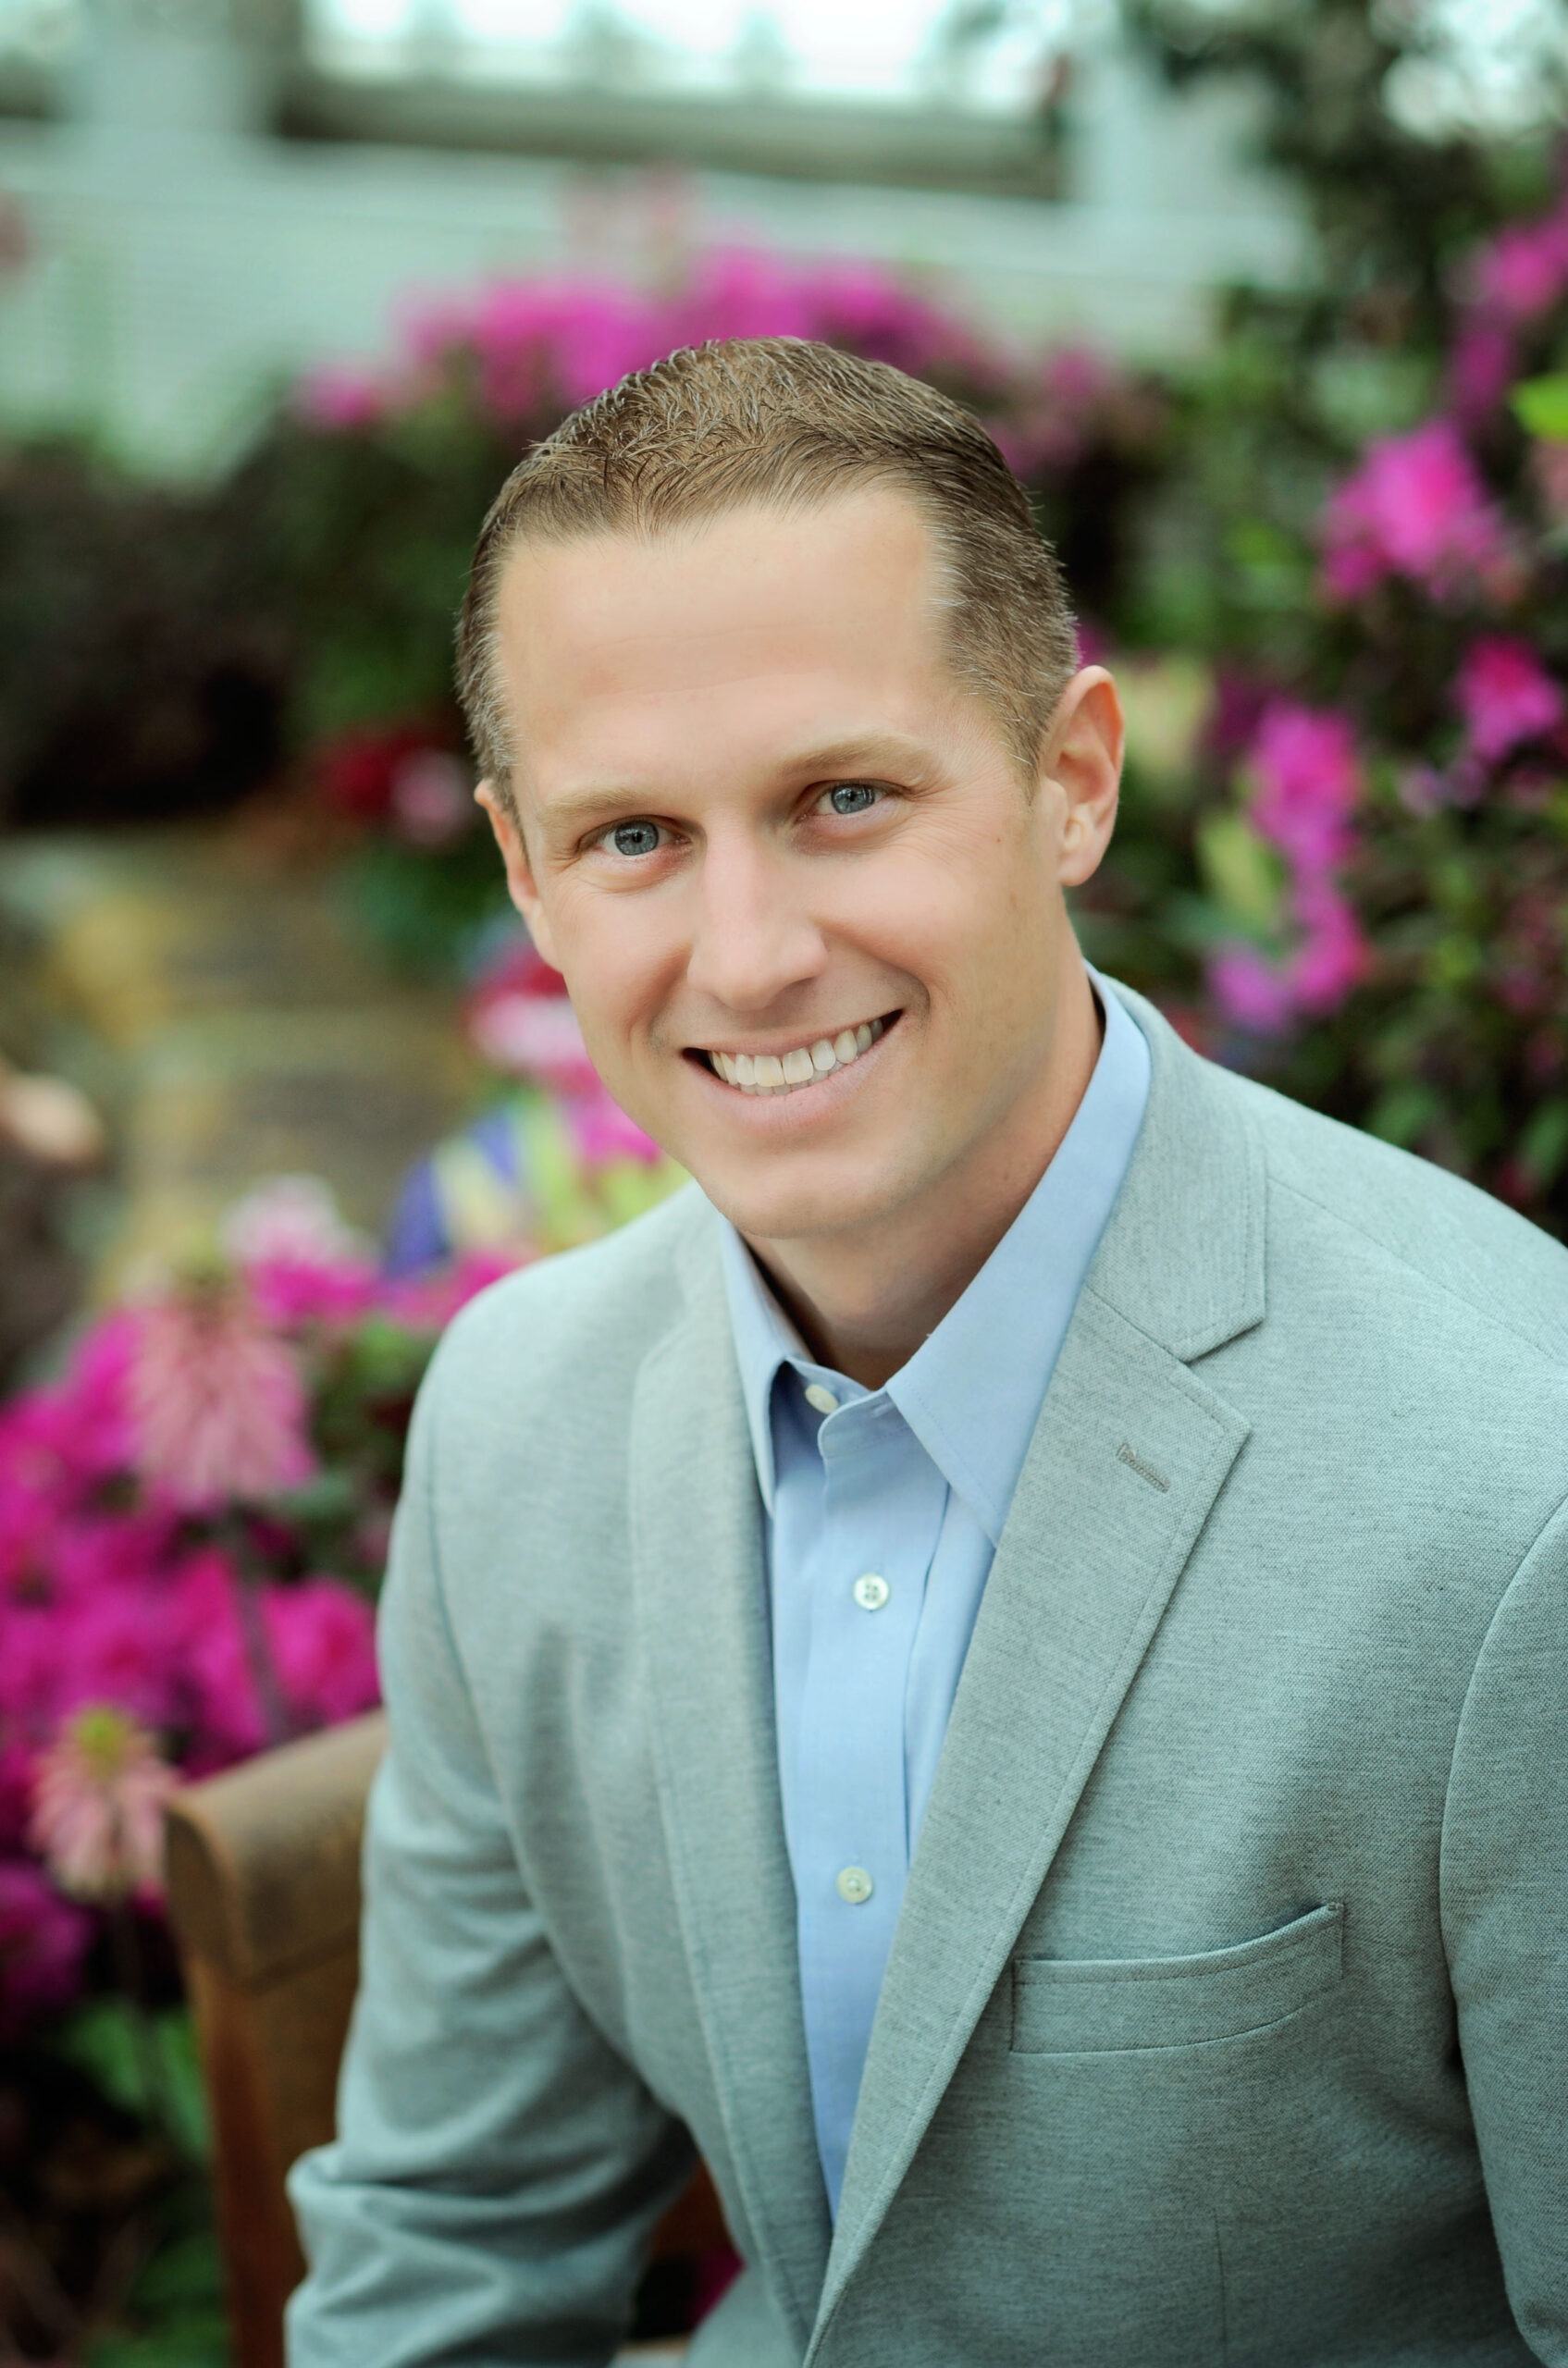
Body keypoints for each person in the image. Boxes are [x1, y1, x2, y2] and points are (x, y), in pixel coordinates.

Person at [286, 339, 1568, 2368]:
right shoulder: (515, 1421)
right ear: (523, 872)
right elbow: (452, 2243)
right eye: (633, 836)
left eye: (844, 798)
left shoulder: (1512, 1500)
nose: (749, 955)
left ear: (1072, 779)